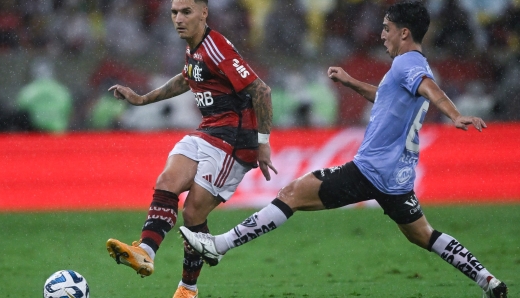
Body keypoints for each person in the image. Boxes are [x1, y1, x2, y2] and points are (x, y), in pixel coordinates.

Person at [179, 2, 508, 297]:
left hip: (372, 170)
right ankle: (487, 280)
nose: (382, 35)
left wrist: (455, 114)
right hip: (398, 176)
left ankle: (220, 245)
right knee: (423, 234)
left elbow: (430, 88)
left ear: (404, 33)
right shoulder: (411, 65)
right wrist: (350, 82)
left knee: (292, 192)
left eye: (387, 28)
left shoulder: (408, 63)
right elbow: (387, 98)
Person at [105, 1, 277, 297]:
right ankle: (145, 252)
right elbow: (188, 77)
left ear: (203, 13)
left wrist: (263, 144)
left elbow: (261, 90)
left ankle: (188, 288)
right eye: (174, 12)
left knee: (193, 214)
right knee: (166, 182)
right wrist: (142, 99)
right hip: (208, 130)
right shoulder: (194, 48)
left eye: (186, 12)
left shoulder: (217, 47)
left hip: (234, 141)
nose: (178, 19)